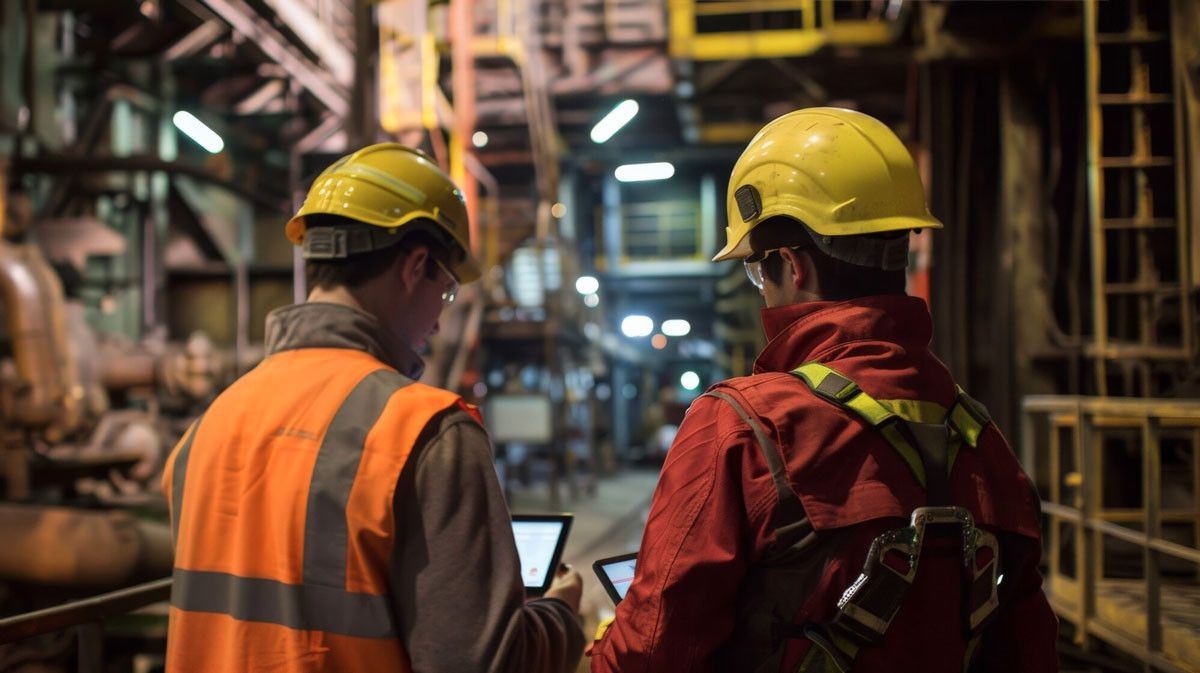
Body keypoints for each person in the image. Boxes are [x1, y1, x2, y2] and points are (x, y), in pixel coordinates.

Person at [590, 108, 1057, 672]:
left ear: (791, 266)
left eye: (758, 271)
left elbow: (652, 650)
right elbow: (1028, 645)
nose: (761, 289)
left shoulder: (745, 427)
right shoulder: (984, 439)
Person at [162, 143, 585, 673]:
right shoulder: (426, 431)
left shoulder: (209, 425)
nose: (440, 318)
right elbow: (477, 662)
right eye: (448, 290)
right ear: (414, 266)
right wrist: (562, 618)